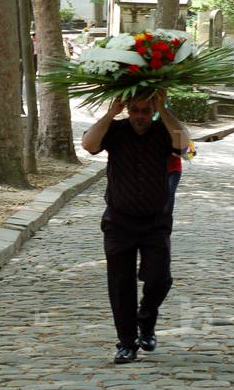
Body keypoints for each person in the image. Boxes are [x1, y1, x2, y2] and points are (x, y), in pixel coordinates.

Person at [81, 90, 191, 364]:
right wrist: (110, 113)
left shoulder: (162, 131)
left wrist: (163, 110)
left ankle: (147, 320)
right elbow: (89, 145)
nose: (140, 117)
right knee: (121, 284)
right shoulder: (116, 130)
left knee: (159, 278)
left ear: (152, 110)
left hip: (156, 221)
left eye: (146, 111)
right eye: (136, 111)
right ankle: (127, 343)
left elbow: (184, 144)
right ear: (128, 109)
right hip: (119, 221)